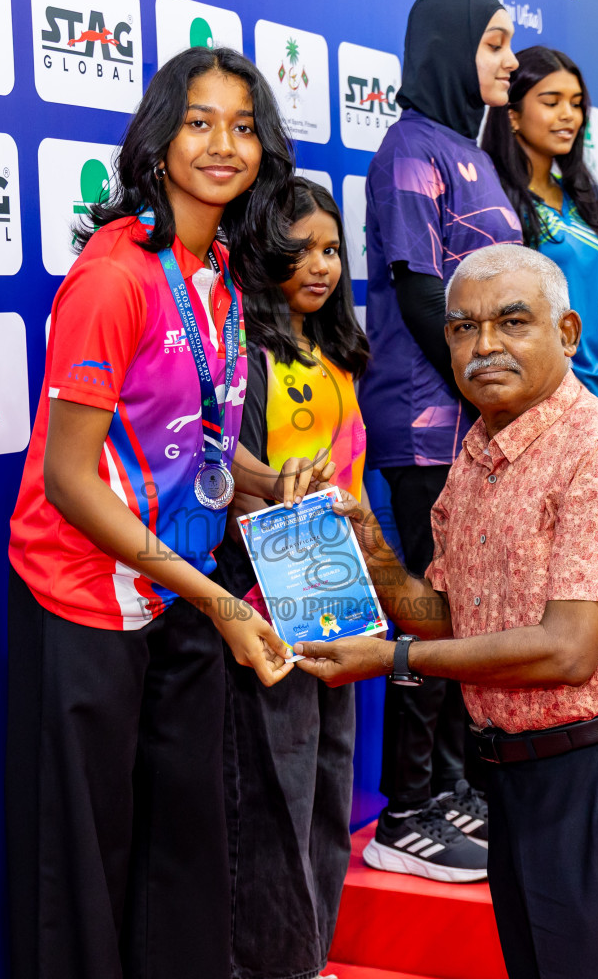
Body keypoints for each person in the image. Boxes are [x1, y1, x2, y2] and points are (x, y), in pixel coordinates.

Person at [5, 46, 334, 979]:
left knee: (183, 852)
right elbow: (72, 480)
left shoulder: (221, 270)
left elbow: (198, 433)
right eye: (199, 122)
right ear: (158, 142)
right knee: (78, 872)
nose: (223, 144)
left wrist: (273, 482)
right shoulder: (114, 277)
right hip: (83, 601)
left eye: (243, 127)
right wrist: (220, 603)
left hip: (175, 594)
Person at [298, 244, 598, 979]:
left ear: (567, 333)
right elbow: (451, 620)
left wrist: (391, 660)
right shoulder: (478, 454)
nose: (484, 346)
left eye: (512, 322)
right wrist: (370, 546)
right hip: (513, 780)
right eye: (462, 328)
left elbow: (567, 650)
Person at [358, 0, 524, 882]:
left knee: (467, 611)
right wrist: (489, 388)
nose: (510, 61)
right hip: (428, 423)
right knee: (428, 609)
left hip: (476, 422)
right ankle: (405, 812)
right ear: (451, 48)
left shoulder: (476, 151)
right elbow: (422, 292)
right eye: (494, 43)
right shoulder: (410, 149)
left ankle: (454, 786)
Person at [214, 177, 369, 979]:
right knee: (279, 791)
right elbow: (227, 483)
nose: (320, 265)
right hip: (266, 586)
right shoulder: (243, 354)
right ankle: (278, 967)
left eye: (332, 249)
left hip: (339, 584)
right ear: (260, 252)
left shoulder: (336, 352)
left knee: (328, 787)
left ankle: (310, 958)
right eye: (299, 248)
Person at [481, 45, 598, 410]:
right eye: (551, 102)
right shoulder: (496, 201)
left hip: (594, 397)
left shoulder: (578, 197)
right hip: (536, 399)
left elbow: (593, 296)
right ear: (512, 114)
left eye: (576, 104)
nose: (569, 116)